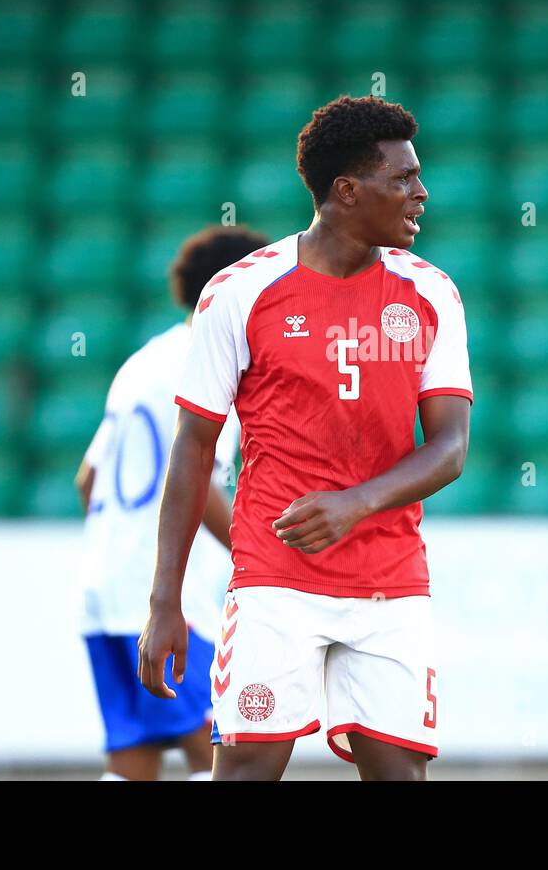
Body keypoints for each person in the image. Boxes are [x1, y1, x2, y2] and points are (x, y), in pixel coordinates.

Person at [138, 95, 472, 781]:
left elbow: (450, 448)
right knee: (247, 772)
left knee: (398, 776)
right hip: (273, 580)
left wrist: (356, 502)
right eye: (403, 178)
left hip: (389, 582)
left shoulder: (432, 293)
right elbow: (193, 446)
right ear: (347, 191)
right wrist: (164, 602)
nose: (421, 192)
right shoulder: (239, 292)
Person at [76, 225, 269, 780]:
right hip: (162, 593)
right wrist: (256, 554)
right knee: (215, 748)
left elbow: (87, 480)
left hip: (103, 582)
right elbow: (197, 478)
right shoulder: (208, 362)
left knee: (132, 753)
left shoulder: (142, 362)